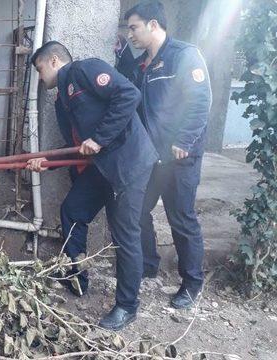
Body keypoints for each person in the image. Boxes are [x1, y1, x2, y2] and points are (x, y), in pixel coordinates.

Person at [27, 40, 158, 330]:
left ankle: (127, 306)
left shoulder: (86, 70)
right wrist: (45, 160)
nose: (40, 78)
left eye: (39, 70)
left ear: (53, 61)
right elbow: (76, 146)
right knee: (73, 210)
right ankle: (77, 277)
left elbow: (129, 95)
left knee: (124, 234)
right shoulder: (63, 101)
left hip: (128, 163)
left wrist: (99, 139)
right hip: (102, 166)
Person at [124, 1, 212, 309]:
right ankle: (148, 264)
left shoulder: (184, 55)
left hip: (180, 155)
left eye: (133, 27)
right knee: (137, 212)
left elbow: (200, 100)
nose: (130, 34)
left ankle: (191, 283)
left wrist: (185, 139)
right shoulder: (141, 65)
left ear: (153, 25)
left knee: (181, 218)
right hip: (152, 156)